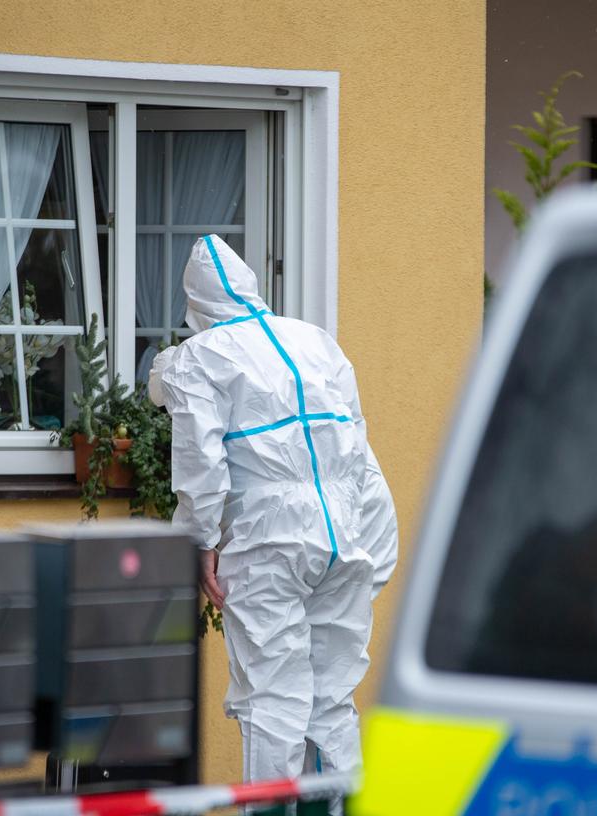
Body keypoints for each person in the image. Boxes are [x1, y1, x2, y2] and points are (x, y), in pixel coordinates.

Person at [148, 235, 398, 789]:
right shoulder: (316, 342)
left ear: (196, 305)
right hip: (343, 538)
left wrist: (196, 548)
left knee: (272, 702)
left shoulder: (200, 359)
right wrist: (370, 549)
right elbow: (359, 451)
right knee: (332, 702)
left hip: (268, 545)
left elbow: (201, 470)